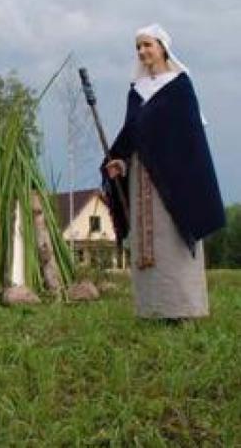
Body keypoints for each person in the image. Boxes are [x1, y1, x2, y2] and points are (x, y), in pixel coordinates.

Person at [105, 23, 224, 321]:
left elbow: (190, 138)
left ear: (163, 48)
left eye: (148, 45)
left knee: (173, 240)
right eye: (138, 47)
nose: (143, 51)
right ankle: (152, 308)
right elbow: (132, 134)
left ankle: (184, 309)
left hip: (176, 180)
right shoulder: (136, 91)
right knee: (148, 242)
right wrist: (120, 160)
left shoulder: (180, 86)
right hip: (141, 177)